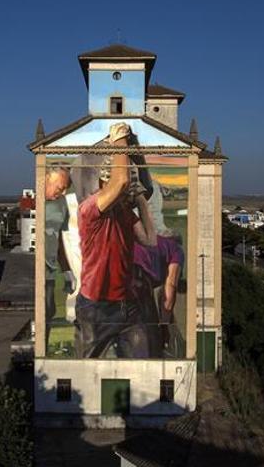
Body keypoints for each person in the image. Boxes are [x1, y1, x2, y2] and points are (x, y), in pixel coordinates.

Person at [74, 122, 156, 358]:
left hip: (126, 304)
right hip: (95, 307)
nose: (128, 184)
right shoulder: (89, 209)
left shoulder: (124, 213)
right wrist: (120, 139)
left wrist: (140, 200)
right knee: (87, 373)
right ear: (104, 180)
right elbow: (119, 181)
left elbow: (150, 240)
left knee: (142, 364)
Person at [44, 166, 75, 348]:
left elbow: (60, 240)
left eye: (65, 189)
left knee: (49, 310)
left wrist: (67, 271)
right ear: (47, 178)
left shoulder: (62, 203)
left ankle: (43, 348)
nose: (63, 192)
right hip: (32, 272)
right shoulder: (34, 201)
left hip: (49, 272)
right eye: (60, 187)